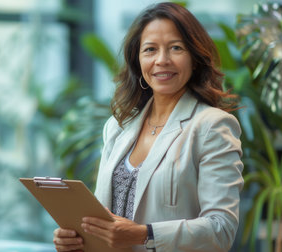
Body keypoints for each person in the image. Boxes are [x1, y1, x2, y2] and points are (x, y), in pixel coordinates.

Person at [53, 2, 243, 251]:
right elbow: (105, 219)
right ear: (138, 60)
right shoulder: (118, 127)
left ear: (195, 58)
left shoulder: (213, 126)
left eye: (176, 48)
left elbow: (222, 228)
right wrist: (78, 239)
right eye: (150, 50)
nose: (162, 60)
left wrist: (144, 234)